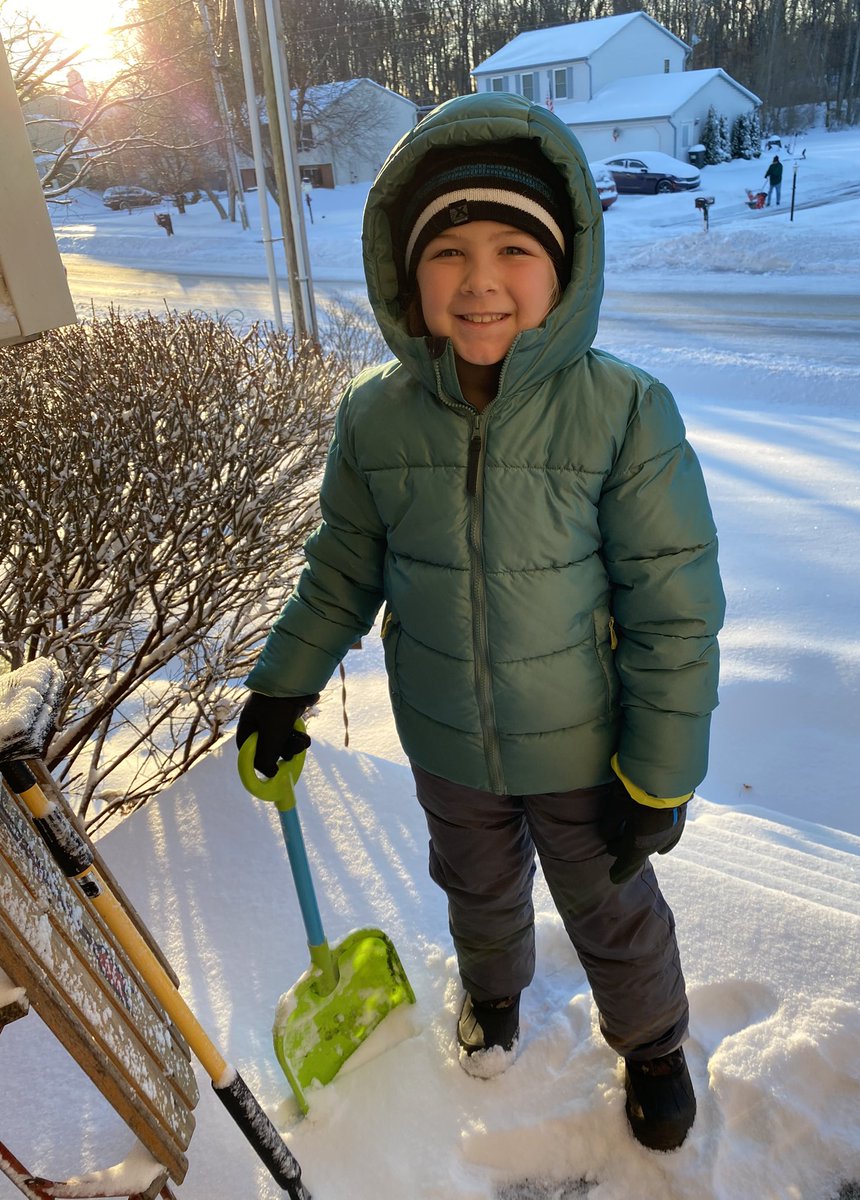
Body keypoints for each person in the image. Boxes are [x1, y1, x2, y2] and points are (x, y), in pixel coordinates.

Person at [236, 92, 725, 1154]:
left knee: (612, 911)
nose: (481, 281)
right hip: (450, 739)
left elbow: (673, 610)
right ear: (410, 278)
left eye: (515, 247)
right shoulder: (375, 414)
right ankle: (495, 995)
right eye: (448, 252)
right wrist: (282, 685)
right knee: (477, 891)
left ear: (565, 269)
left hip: (587, 751)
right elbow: (340, 569)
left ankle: (651, 1044)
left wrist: (662, 770)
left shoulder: (625, 411)